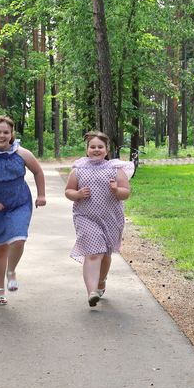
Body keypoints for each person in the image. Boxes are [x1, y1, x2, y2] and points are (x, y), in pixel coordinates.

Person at [0, 115, 46, 305]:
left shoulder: (22, 153)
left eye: (6, 132)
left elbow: (38, 171)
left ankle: (11, 271)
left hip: (19, 202)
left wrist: (41, 195)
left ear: (12, 134)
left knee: (18, 239)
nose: (2, 135)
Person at [64, 131, 134, 307]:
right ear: (87, 149)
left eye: (100, 147)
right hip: (86, 217)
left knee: (105, 255)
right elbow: (68, 191)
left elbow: (126, 191)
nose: (96, 149)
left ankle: (101, 280)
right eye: (92, 147)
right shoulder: (78, 170)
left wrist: (117, 190)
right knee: (94, 253)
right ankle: (92, 292)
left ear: (106, 150)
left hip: (111, 219)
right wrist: (78, 194)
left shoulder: (115, 169)